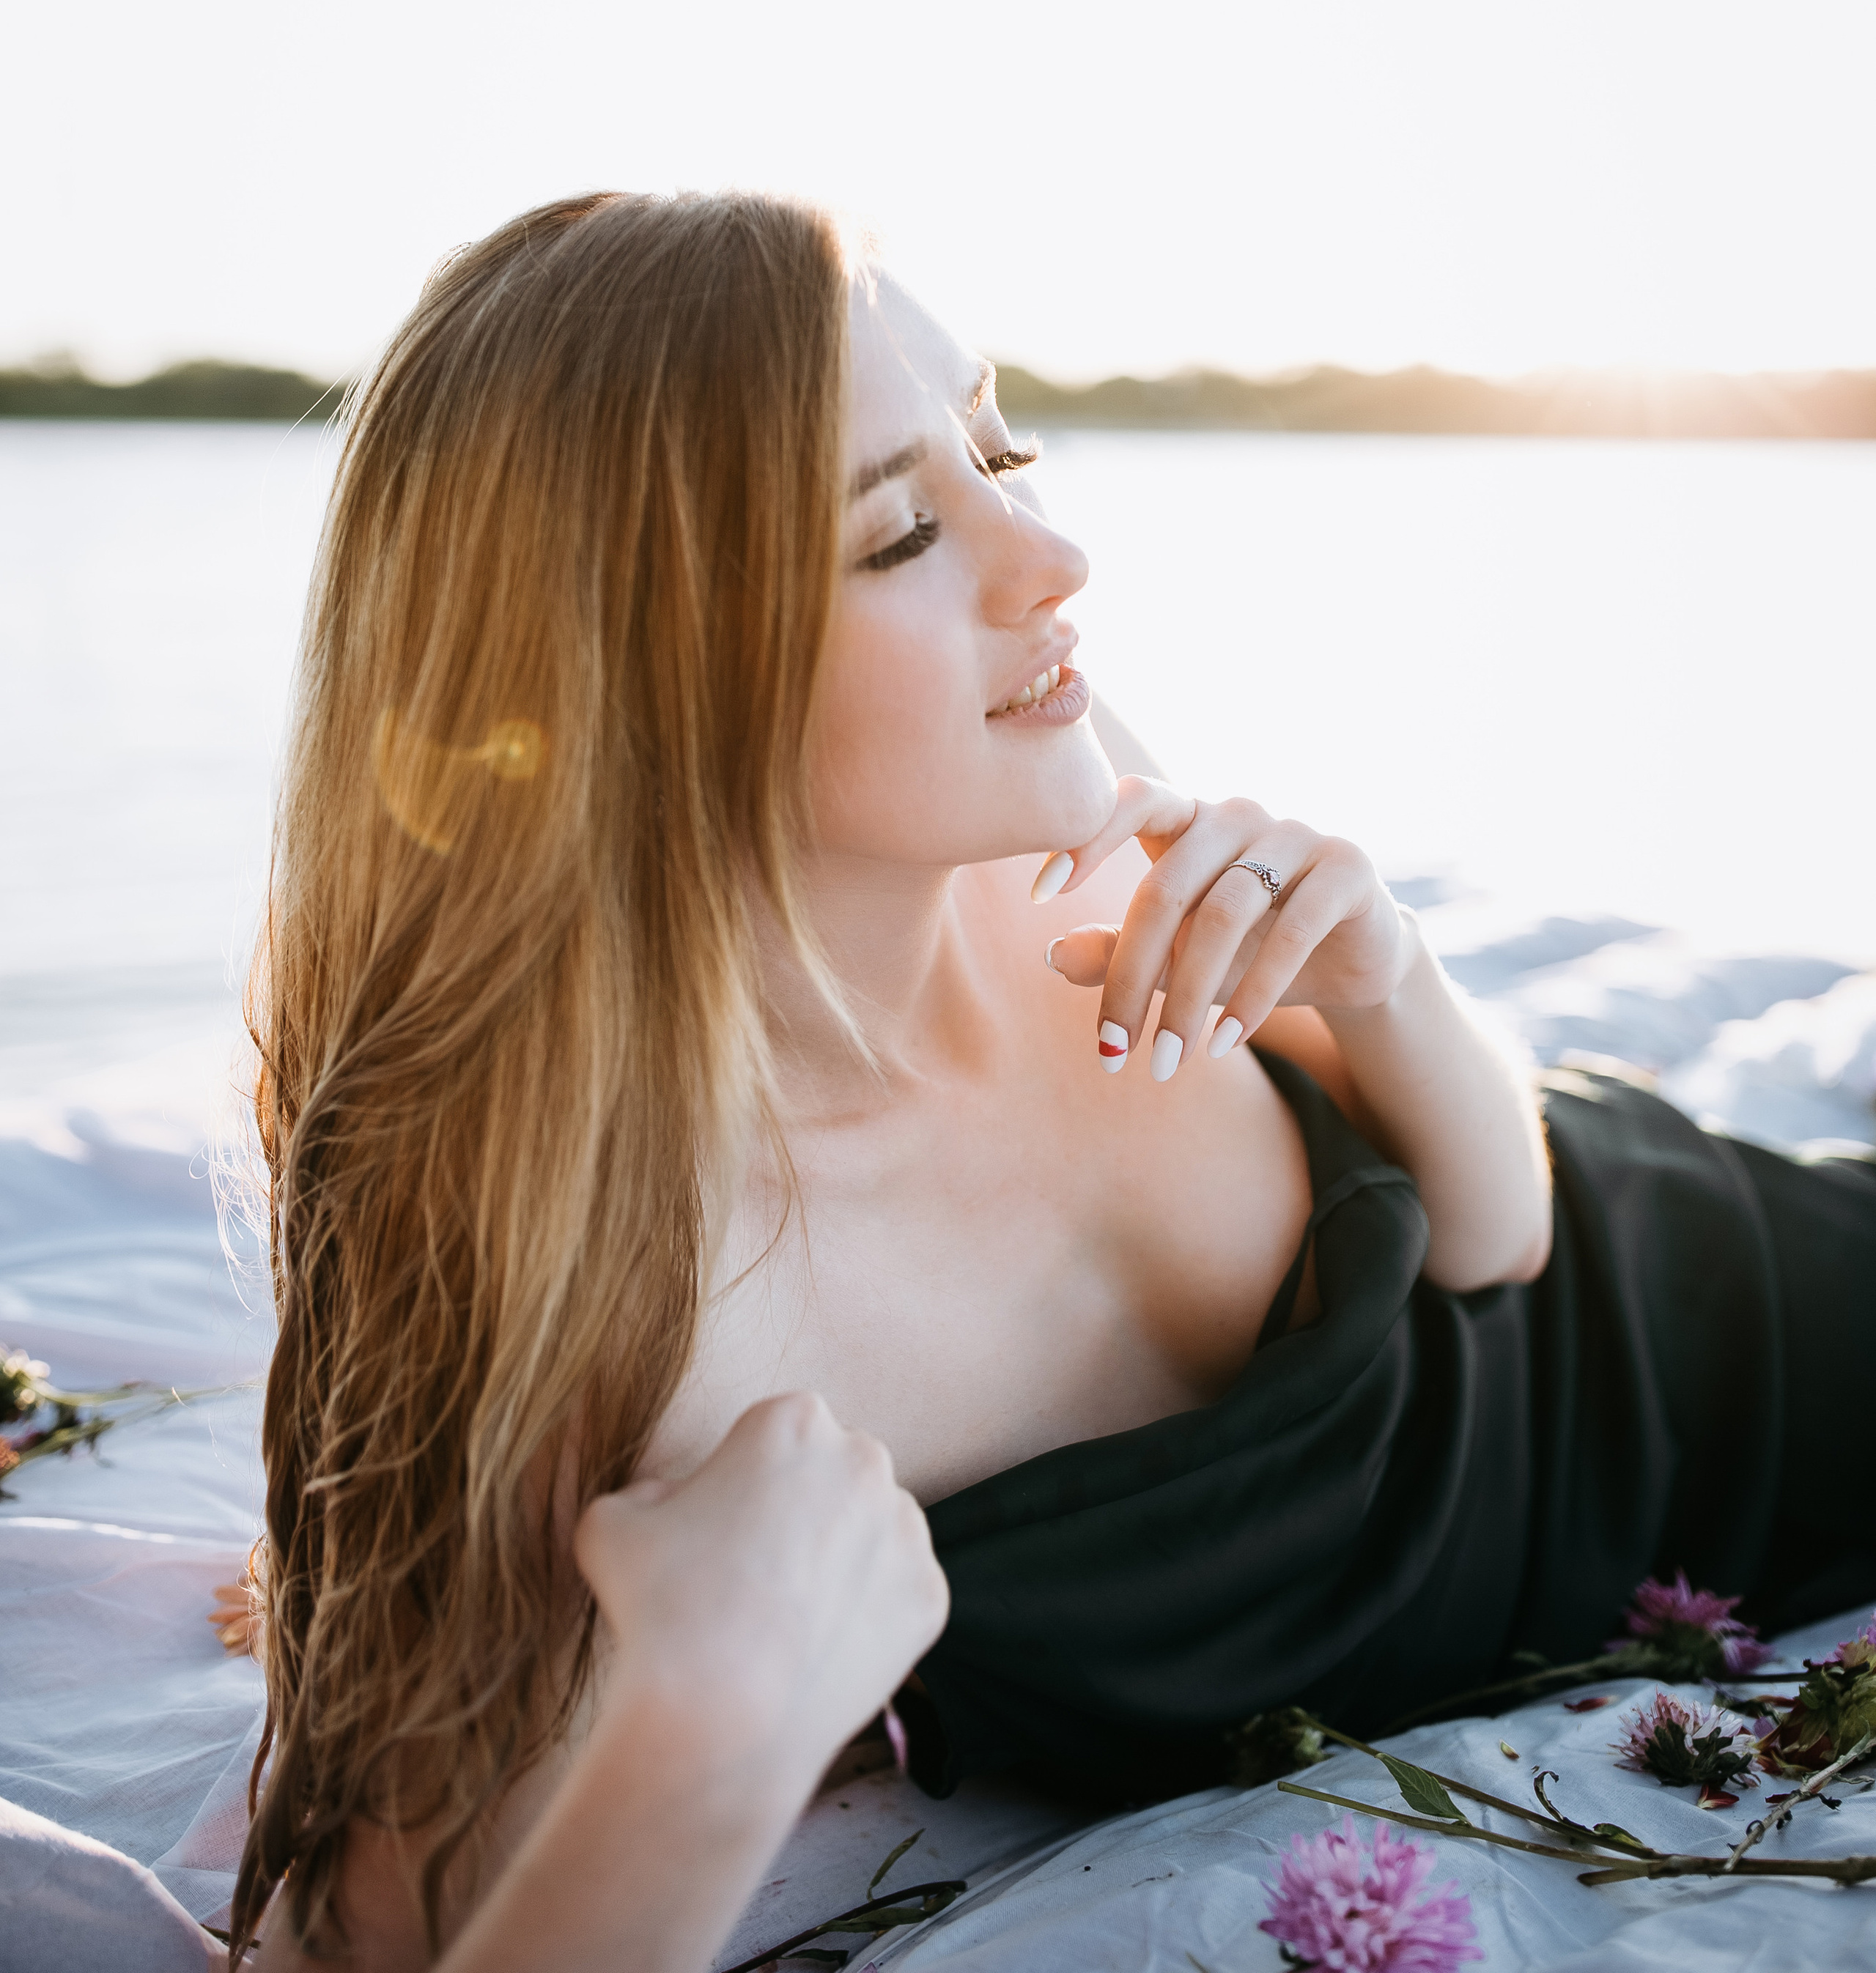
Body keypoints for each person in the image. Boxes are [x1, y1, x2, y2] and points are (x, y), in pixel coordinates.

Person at [232, 190, 1876, 1963]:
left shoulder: (1054, 821)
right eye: (893, 537)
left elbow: (1497, 1242)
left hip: (1716, 1291)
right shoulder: (600, 1296)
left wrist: (1387, 984)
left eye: (1001, 447)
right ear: (615, 675)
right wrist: (712, 1725)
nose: (1047, 560)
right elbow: (356, 1936)